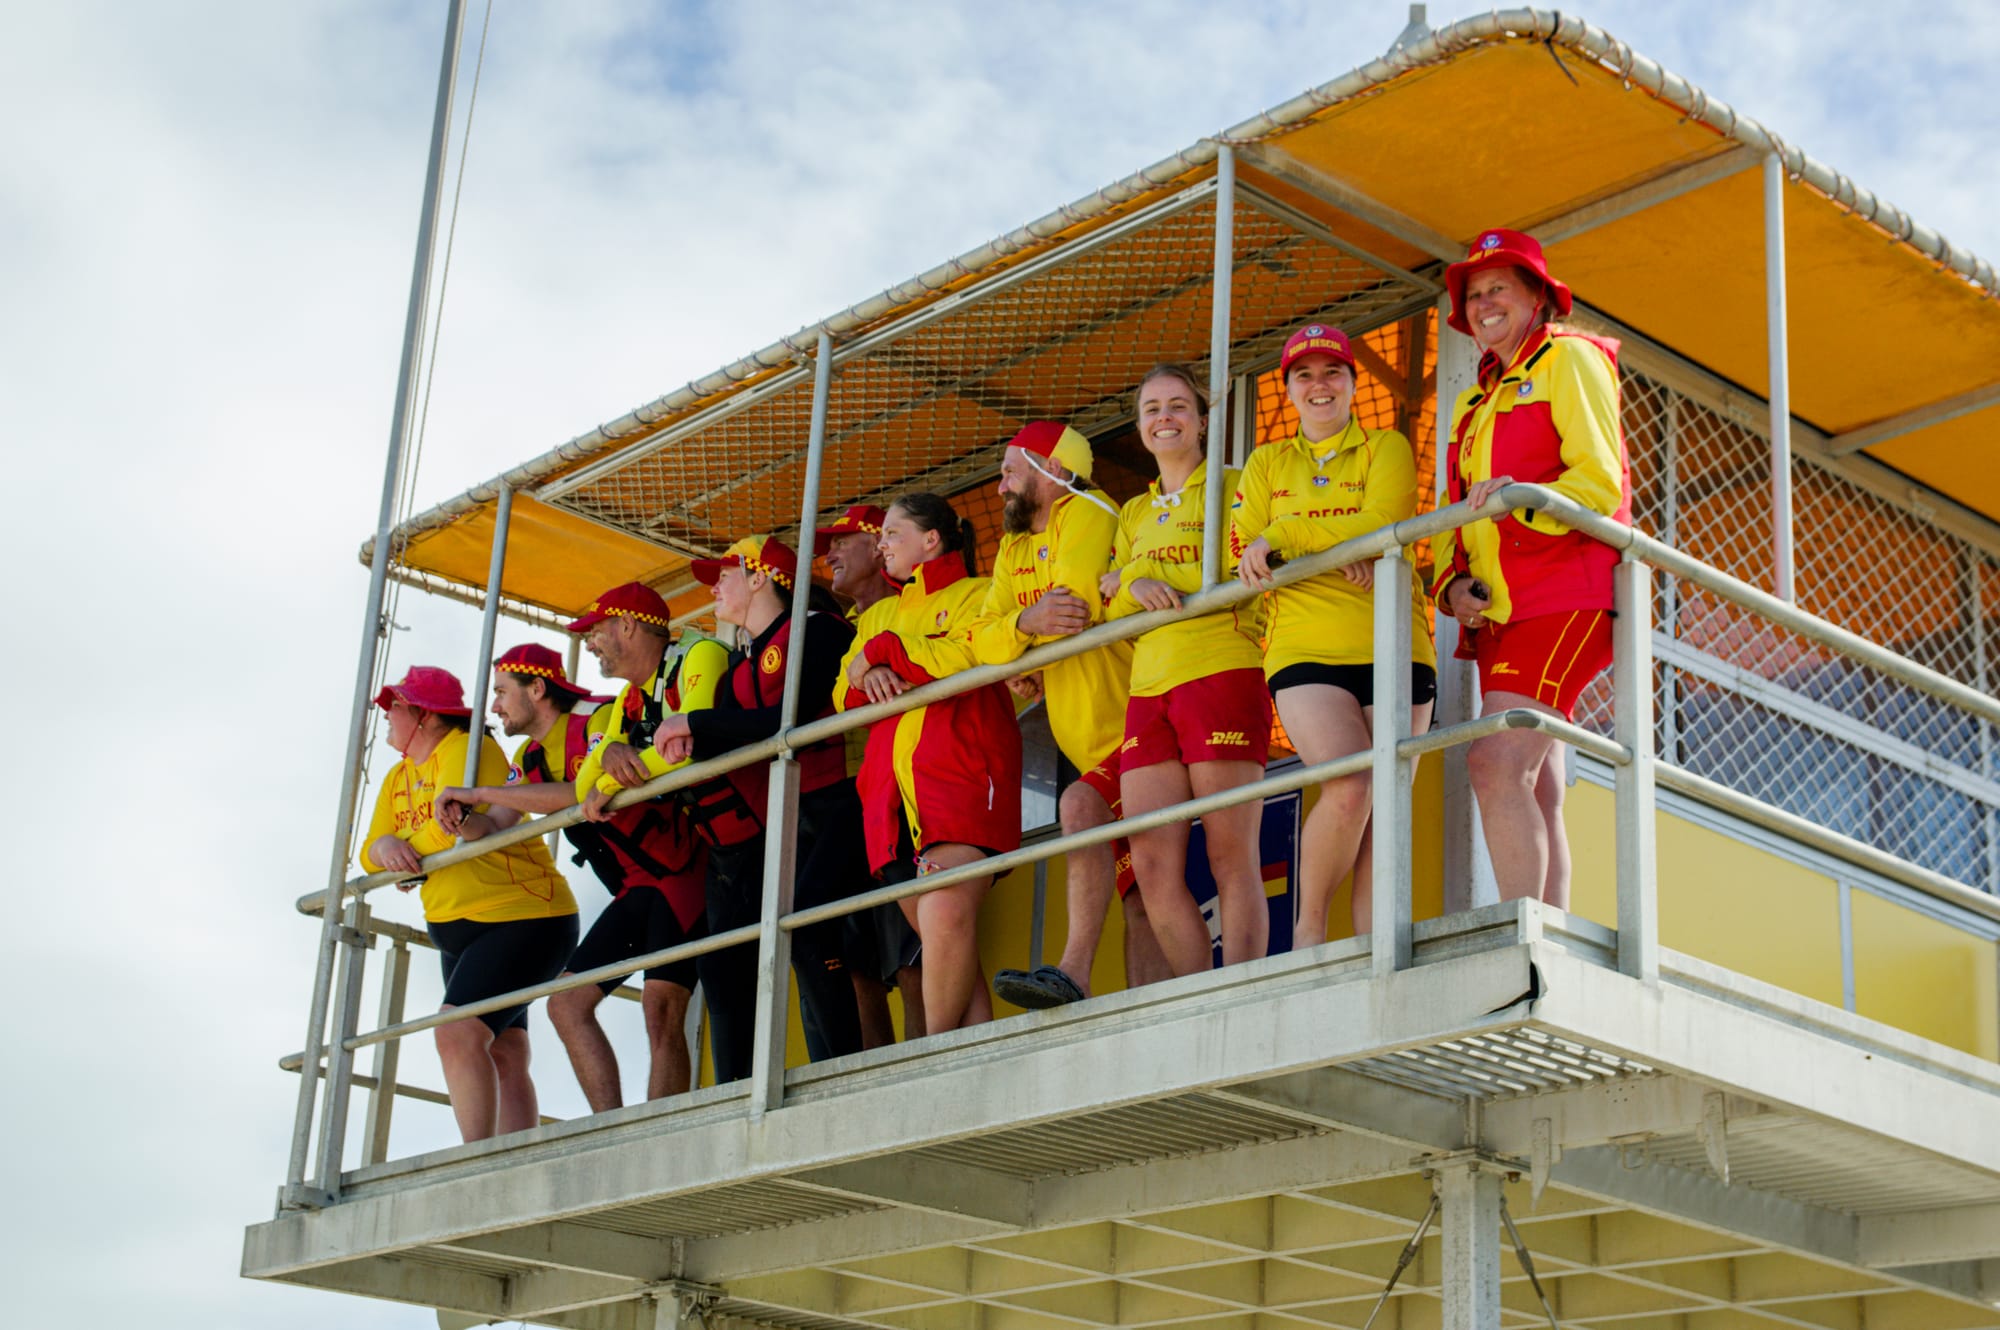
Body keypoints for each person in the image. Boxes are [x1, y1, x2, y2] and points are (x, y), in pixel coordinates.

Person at [436, 618, 716, 1112]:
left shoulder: (596, 716)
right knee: (566, 1005)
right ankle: (611, 1129)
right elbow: (501, 822)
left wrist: (479, 791)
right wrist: (463, 819)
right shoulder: (532, 755)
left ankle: (658, 1130)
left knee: (661, 1009)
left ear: (537, 688)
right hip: (637, 887)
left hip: (683, 873)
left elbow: (576, 792)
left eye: (501, 692)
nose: (495, 706)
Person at [1434, 228, 1631, 909]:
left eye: (1500, 289)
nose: (1485, 303)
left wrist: (1522, 500)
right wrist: (1451, 584)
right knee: (1537, 781)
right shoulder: (1473, 398)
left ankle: (1523, 936)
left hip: (1565, 593)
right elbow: (1456, 513)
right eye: (1475, 293)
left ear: (1539, 297)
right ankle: (1552, 935)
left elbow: (1600, 483)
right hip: (1503, 616)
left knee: (1494, 761)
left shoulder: (1571, 359)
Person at [1234, 324, 1438, 947]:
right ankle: (1308, 936)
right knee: (1351, 783)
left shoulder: (1388, 446)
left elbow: (1384, 521)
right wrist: (1344, 547)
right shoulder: (1266, 461)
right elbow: (1243, 549)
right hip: (1303, 647)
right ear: (1288, 389)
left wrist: (1292, 535)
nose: (1319, 386)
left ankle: (1378, 958)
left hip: (1395, 644)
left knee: (1384, 809)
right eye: (1304, 375)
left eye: (1332, 373)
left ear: (1353, 383)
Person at [648, 535, 867, 1081]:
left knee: (814, 928)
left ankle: (840, 1073)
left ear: (759, 577)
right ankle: (776, 1081)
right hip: (790, 817)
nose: (714, 589)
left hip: (844, 798)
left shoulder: (819, 629)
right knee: (756, 948)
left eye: (724, 575)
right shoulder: (743, 659)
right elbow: (726, 738)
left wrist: (693, 725)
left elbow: (782, 721)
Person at [974, 421, 1169, 1010]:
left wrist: (1020, 638)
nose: (1001, 483)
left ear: (1054, 470)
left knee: (1079, 807)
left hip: (1143, 724)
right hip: (1092, 744)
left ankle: (1073, 975)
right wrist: (1023, 629)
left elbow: (1076, 602)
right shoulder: (1011, 547)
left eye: (1013, 469)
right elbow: (979, 640)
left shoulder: (1090, 508)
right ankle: (1147, 1019)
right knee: (1143, 893)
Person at [359, 665, 577, 1143]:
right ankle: (511, 1156)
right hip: (461, 927)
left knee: (456, 1034)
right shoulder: (398, 775)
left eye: (394, 708)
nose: (387, 719)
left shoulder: (465, 749)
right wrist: (386, 852)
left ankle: (475, 1161)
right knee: (504, 1050)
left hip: (523, 916)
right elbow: (369, 847)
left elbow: (447, 828)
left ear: (424, 715)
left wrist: (405, 853)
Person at [1101, 365, 1272, 975]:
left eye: (1177, 406)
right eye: (1151, 408)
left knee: (1231, 854)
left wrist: (1141, 580)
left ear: (1203, 420)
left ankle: (1239, 990)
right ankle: (1195, 993)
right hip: (1148, 687)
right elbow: (1109, 597)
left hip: (1221, 669)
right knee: (1149, 862)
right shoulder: (1132, 512)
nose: (1163, 417)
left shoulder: (1234, 485)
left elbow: (1239, 573)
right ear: (1140, 426)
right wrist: (1132, 584)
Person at [839, 494, 1022, 1032]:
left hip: (963, 776)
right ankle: (977, 1071)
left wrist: (881, 655)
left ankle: (933, 1057)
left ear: (931, 540)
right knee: (948, 939)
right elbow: (840, 695)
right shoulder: (876, 614)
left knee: (943, 917)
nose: (881, 543)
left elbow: (964, 655)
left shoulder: (980, 593)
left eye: (892, 533)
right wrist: (865, 671)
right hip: (890, 802)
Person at [815, 504, 926, 1046]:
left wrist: (877, 666)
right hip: (858, 800)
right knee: (856, 953)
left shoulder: (912, 606)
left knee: (909, 952)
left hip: (909, 790)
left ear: (880, 546)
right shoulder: (853, 627)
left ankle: (920, 1073)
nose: (828, 553)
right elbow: (841, 701)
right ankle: (872, 1078)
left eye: (842, 540)